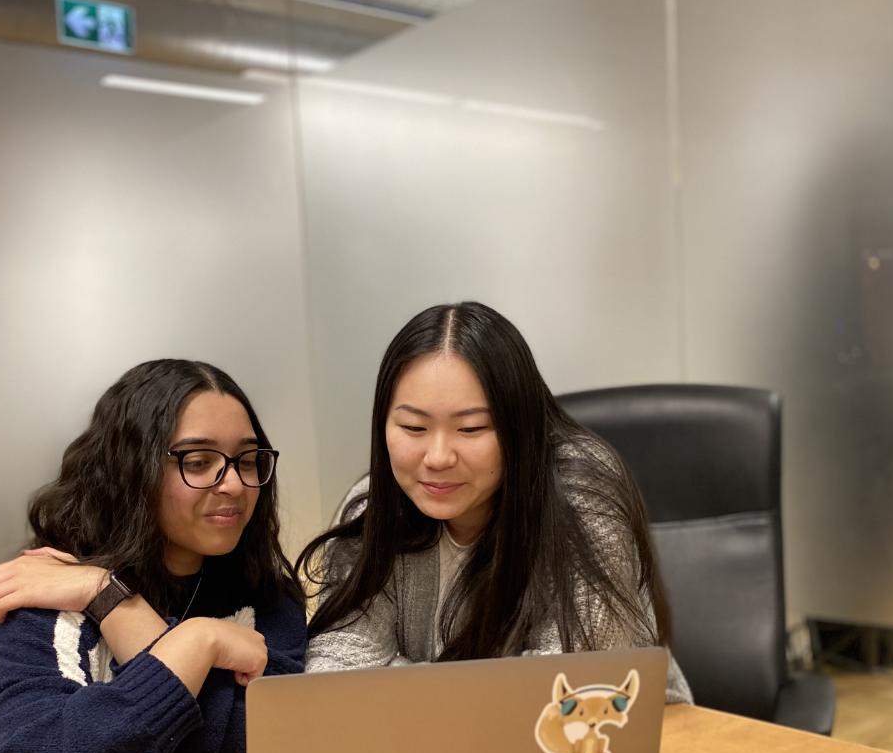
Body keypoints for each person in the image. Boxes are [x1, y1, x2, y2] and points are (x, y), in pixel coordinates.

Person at [0, 359, 307, 753]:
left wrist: (115, 606)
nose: (234, 484)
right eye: (198, 462)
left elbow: (267, 742)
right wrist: (197, 641)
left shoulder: (267, 597)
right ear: (131, 468)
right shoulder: (49, 594)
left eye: (248, 460)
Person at [296, 301, 692, 703]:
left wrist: (396, 673)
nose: (438, 457)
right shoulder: (370, 509)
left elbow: (573, 685)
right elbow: (336, 680)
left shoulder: (583, 497)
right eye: (413, 427)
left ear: (519, 426)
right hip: (431, 740)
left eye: (471, 428)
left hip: (623, 731)